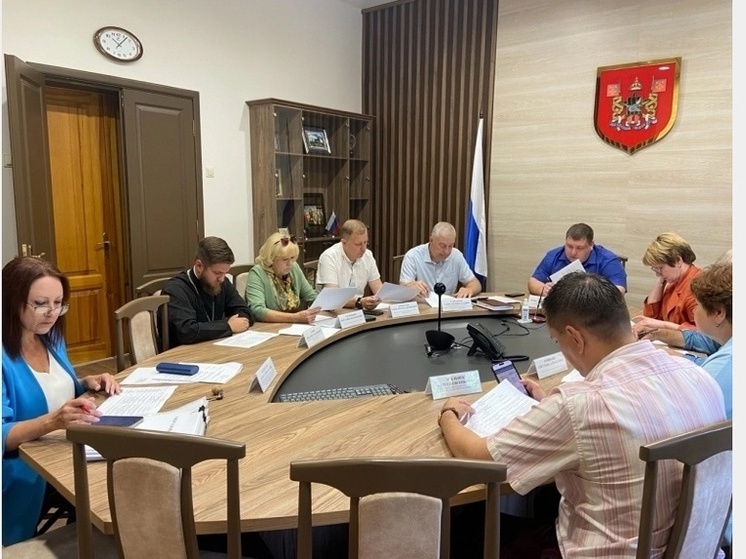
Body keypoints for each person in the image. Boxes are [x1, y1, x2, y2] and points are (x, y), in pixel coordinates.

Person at [437, 272, 726, 558]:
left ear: (575, 337)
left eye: (557, 341)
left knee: (466, 526)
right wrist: (550, 406)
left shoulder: (581, 404)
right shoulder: (700, 377)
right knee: (548, 501)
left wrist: (449, 414)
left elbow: (481, 458)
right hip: (696, 550)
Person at [2, 257, 120, 546]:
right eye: (41, 304)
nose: (52, 313)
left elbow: (49, 389)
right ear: (11, 301)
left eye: (58, 303)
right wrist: (53, 421)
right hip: (24, 473)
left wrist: (85, 382)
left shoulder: (50, 337)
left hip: (63, 456)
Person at [161, 236, 252, 347]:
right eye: (217, 273)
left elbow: (245, 311)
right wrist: (227, 326)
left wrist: (230, 325)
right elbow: (186, 331)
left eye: (225, 273)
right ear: (199, 266)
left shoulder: (222, 283)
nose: (222, 279)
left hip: (215, 348)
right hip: (185, 353)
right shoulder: (176, 289)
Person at [528, 222, 627, 295]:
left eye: (579, 248)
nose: (573, 252)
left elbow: (618, 290)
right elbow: (533, 282)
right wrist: (543, 289)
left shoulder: (607, 259)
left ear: (591, 245)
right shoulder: (554, 255)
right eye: (569, 246)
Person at [632, 232, 700, 336]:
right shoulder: (673, 281)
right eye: (655, 269)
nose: (657, 274)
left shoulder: (697, 287)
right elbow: (651, 316)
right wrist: (661, 280)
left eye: (660, 268)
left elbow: (702, 333)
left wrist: (663, 325)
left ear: (677, 261)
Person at [245, 233, 320, 323]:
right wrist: (295, 318)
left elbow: (311, 296)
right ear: (271, 258)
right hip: (268, 327)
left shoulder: (294, 268)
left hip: (293, 326)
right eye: (285, 259)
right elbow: (257, 310)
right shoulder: (258, 273)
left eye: (292, 258)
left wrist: (327, 306)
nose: (290, 263)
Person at [399, 221, 482, 298]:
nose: (447, 251)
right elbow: (403, 287)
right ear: (431, 240)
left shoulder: (456, 256)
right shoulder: (413, 256)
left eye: (450, 246)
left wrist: (469, 289)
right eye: (442, 246)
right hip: (422, 306)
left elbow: (475, 283)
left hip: (448, 307)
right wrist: (411, 285)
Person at [316, 219, 382, 310]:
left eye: (365, 242)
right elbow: (332, 297)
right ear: (344, 243)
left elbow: (378, 290)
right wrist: (359, 302)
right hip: (331, 311)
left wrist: (376, 300)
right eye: (358, 244)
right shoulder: (329, 257)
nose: (363, 249)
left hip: (357, 310)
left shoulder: (368, 255)